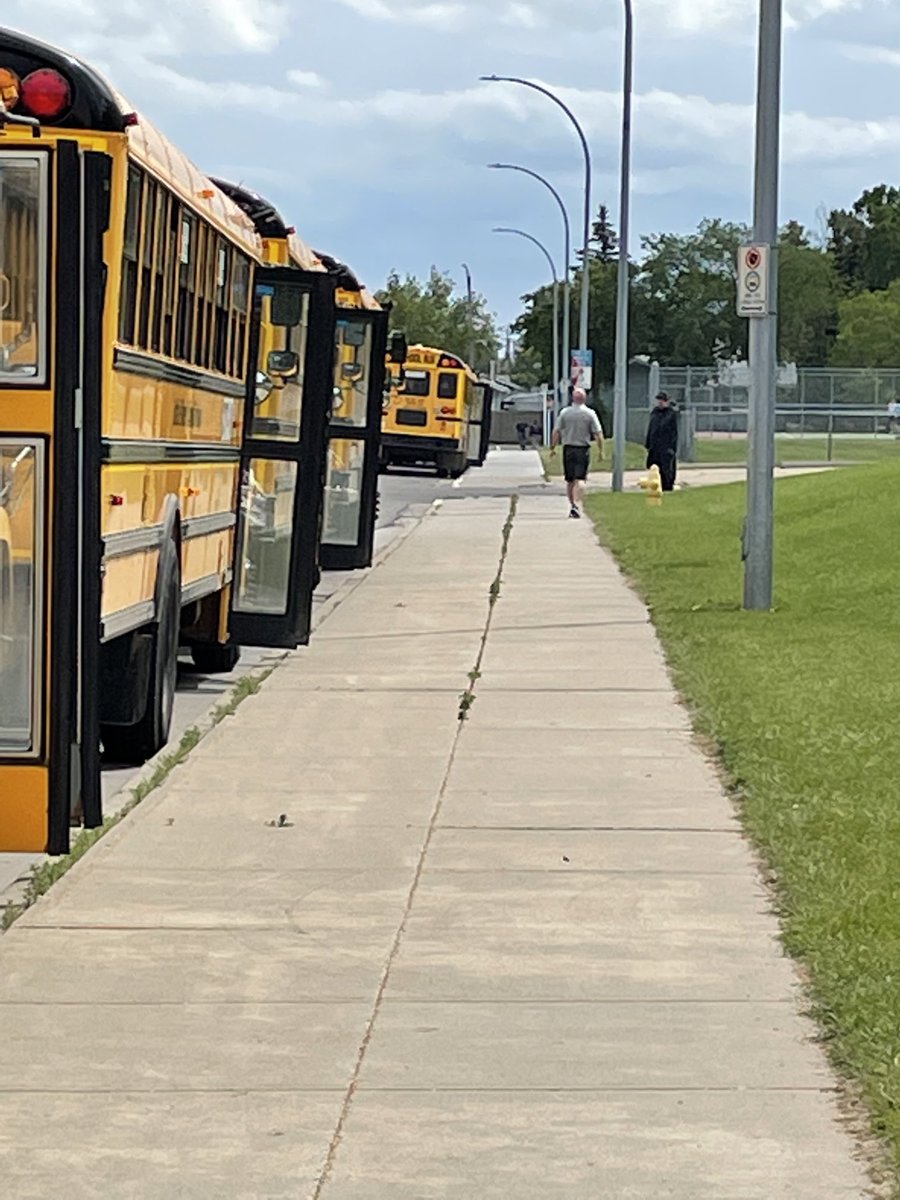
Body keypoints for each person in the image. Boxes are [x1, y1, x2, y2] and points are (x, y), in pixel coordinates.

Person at [550, 387, 604, 519]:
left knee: (569, 480)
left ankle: (572, 505)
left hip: (568, 448)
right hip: (582, 448)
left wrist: (553, 447)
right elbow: (598, 433)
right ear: (584, 399)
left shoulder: (565, 413)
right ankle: (577, 504)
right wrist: (601, 450)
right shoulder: (590, 413)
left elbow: (557, 431)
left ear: (572, 398)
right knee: (580, 479)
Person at [645, 392, 678, 492]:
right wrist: (648, 444)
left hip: (666, 447)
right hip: (654, 447)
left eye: (663, 400)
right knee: (654, 467)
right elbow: (651, 429)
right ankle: (655, 486)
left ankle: (667, 487)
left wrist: (672, 448)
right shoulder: (655, 413)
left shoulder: (671, 414)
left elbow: (674, 433)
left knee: (666, 470)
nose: (660, 402)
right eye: (659, 400)